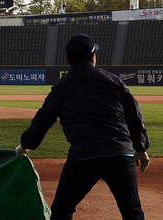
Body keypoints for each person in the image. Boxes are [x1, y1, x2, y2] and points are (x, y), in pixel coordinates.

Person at [15, 34, 150, 220]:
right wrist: (141, 148)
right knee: (133, 212)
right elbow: (134, 115)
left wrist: (25, 144)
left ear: (68, 60)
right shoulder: (114, 81)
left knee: (62, 211)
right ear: (93, 57)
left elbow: (43, 119)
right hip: (119, 154)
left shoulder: (61, 87)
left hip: (83, 156)